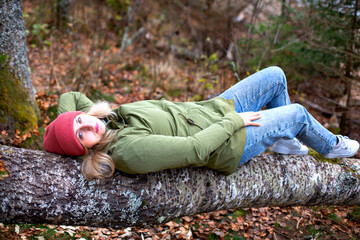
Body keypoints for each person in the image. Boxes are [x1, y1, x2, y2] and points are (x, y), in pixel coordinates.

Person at [43, 66, 360, 180]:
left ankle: (282, 140)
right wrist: (234, 122)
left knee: (275, 76)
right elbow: (196, 150)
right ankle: (330, 146)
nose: (88, 127)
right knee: (298, 114)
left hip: (212, 109)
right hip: (227, 143)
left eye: (81, 121)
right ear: (84, 150)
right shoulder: (126, 151)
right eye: (80, 136)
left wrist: (60, 127)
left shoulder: (105, 120)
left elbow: (70, 96)